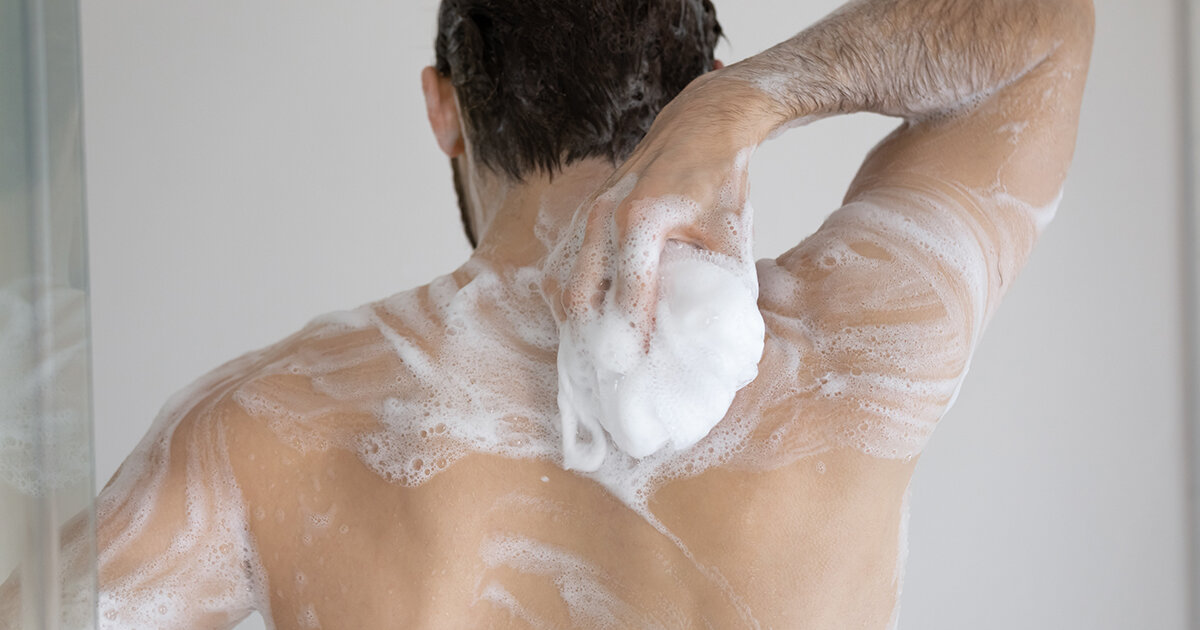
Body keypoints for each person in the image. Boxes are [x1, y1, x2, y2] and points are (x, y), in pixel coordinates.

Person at [1, 0, 1095, 627]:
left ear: (443, 109)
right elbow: (1048, 28)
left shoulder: (266, 433)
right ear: (702, 80)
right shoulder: (851, 350)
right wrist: (759, 99)